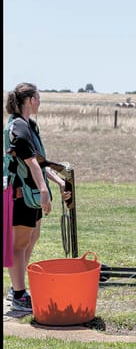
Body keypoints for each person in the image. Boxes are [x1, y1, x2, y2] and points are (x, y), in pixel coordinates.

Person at [4, 82, 71, 312]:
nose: (40, 101)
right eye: (38, 97)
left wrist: (60, 181)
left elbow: (40, 161)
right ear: (30, 99)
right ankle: (19, 295)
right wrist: (44, 191)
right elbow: (30, 162)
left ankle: (17, 287)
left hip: (31, 193)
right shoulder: (18, 127)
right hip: (21, 193)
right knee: (19, 243)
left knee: (31, 239)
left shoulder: (30, 125)